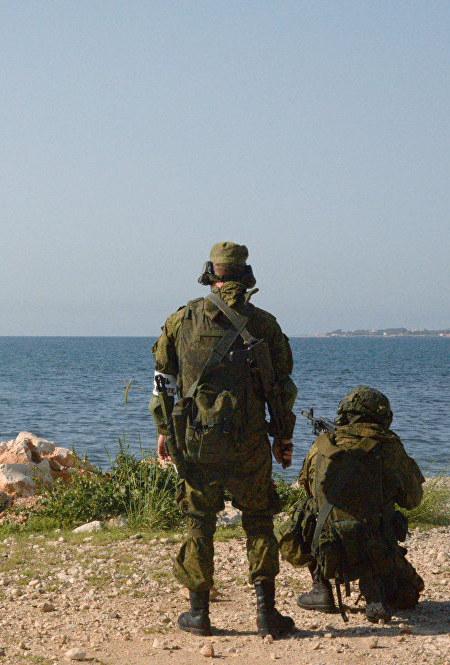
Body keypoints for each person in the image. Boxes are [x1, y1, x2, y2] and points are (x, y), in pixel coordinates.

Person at [150, 242, 298, 638]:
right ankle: (266, 613)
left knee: (199, 521)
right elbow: (281, 388)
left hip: (196, 443)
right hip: (249, 442)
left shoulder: (181, 321)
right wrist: (282, 437)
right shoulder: (264, 324)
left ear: (210, 274)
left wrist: (165, 430)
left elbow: (163, 382)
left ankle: (198, 614)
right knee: (259, 519)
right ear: (246, 275)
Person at [280, 386, 425, 623]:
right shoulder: (388, 445)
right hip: (377, 548)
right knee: (409, 593)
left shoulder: (323, 444)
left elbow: (308, 488)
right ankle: (376, 591)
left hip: (329, 547)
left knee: (309, 510)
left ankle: (322, 588)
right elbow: (413, 499)